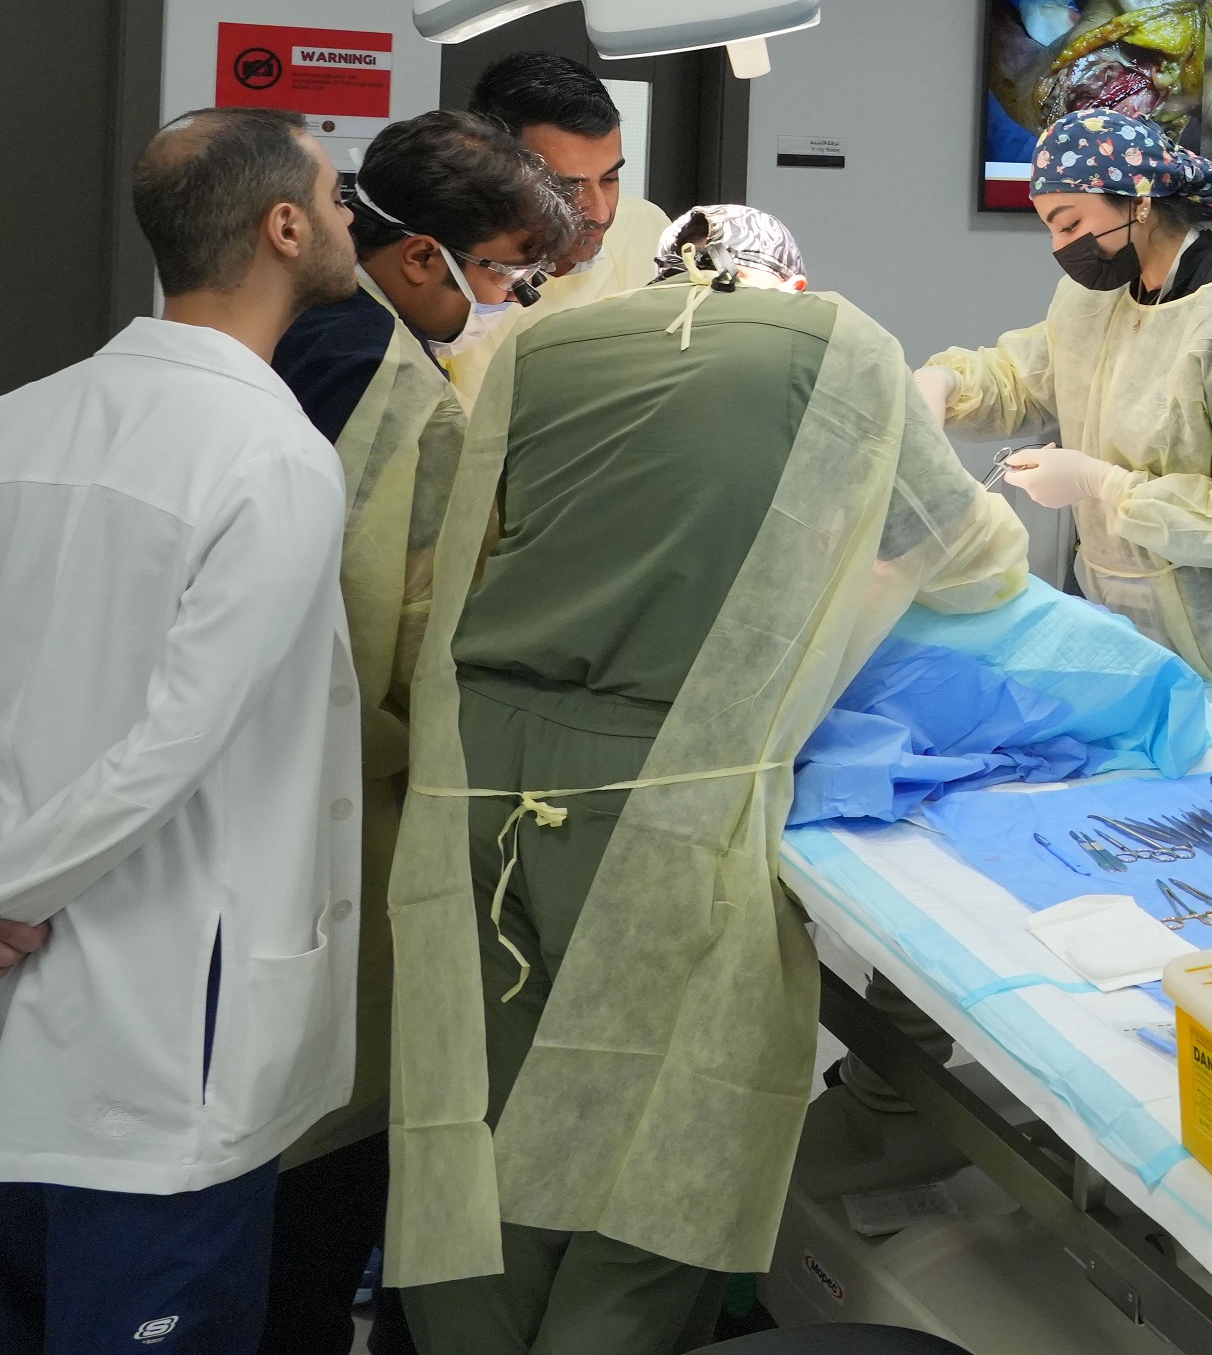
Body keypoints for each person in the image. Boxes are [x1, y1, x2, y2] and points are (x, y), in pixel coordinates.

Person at [386, 207, 1029, 1355]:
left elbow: (481, 541)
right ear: (791, 276)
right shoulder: (838, 344)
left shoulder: (544, 346)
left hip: (482, 768)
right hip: (669, 774)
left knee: (481, 1095)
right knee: (667, 1109)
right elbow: (968, 552)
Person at [0, 111, 362, 1355]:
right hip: (158, 1062)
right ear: (282, 227)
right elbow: (177, 735)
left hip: (28, 1042)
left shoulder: (23, 419)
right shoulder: (274, 459)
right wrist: (12, 889)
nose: (352, 214)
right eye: (337, 192)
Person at [262, 115, 576, 1355]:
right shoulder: (383, 386)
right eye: (497, 270)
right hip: (343, 802)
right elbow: (383, 631)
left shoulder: (309, 337)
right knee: (335, 1144)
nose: (500, 299)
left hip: (295, 803)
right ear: (417, 257)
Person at [919, 114, 1212, 694]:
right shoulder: (1098, 298)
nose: (1062, 248)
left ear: (1139, 199)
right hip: (1114, 625)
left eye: (1070, 223)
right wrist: (946, 384)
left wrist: (1101, 484)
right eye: (1051, 231)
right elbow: (1026, 375)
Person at [442, 56, 672, 402]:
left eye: (610, 179)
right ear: (494, 174)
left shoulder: (647, 229)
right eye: (568, 188)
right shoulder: (450, 268)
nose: (599, 212)